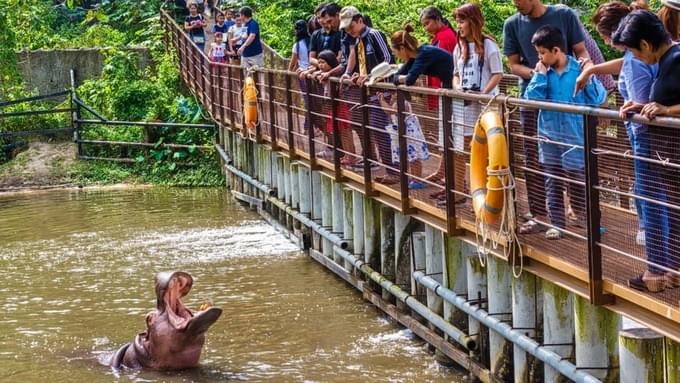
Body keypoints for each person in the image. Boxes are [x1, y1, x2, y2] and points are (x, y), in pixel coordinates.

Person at [503, 0, 593, 234]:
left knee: (574, 157)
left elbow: (581, 50)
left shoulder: (564, 14)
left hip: (568, 98)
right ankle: (541, 215)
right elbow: (513, 65)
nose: (516, 4)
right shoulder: (512, 23)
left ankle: (580, 212)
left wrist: (588, 71)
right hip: (533, 98)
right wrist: (540, 74)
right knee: (535, 158)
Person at [576, 1, 659, 248]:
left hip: (643, 132)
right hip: (641, 132)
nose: (603, 42)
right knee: (646, 182)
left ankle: (653, 242)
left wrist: (631, 106)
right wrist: (591, 70)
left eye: (603, 36)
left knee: (647, 184)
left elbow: (640, 97)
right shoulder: (638, 51)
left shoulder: (636, 59)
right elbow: (623, 64)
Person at [614, 10, 680, 291]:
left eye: (633, 50)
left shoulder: (676, 60)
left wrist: (667, 110)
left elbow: (672, 104)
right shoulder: (667, 61)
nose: (635, 58)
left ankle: (662, 273)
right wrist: (643, 107)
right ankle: (672, 271)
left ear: (644, 44)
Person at [524, 25, 606, 240]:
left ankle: (590, 223)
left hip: (575, 136)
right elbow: (530, 100)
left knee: (579, 181)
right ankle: (558, 224)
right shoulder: (542, 72)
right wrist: (539, 76)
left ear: (556, 50)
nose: (540, 57)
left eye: (542, 53)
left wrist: (588, 77)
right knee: (552, 181)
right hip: (549, 135)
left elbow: (598, 98)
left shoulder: (579, 69)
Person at [450, 3, 503, 205]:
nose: (459, 26)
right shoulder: (459, 47)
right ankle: (469, 194)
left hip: (484, 105)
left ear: (473, 21)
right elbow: (455, 74)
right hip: (464, 105)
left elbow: (498, 74)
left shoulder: (489, 45)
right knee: (464, 149)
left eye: (462, 21)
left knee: (485, 151)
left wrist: (482, 93)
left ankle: (489, 196)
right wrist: (457, 88)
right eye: (457, 21)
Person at [340, 6, 396, 184]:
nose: (349, 30)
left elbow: (388, 60)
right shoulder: (358, 41)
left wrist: (371, 76)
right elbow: (363, 65)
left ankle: (394, 171)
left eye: (351, 26)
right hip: (370, 92)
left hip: (383, 90)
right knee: (377, 130)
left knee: (382, 130)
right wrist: (357, 75)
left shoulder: (374, 35)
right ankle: (390, 170)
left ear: (360, 21)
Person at [419, 6, 457, 186]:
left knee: (449, 134)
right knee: (444, 133)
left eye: (427, 23)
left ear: (437, 19)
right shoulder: (438, 38)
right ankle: (443, 171)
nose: (425, 28)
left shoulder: (446, 37)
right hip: (439, 89)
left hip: (445, 89)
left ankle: (451, 177)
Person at [379, 92, 430, 189]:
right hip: (404, 133)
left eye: (394, 93)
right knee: (410, 158)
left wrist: (382, 101)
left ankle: (417, 179)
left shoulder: (403, 102)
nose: (393, 95)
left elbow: (390, 111)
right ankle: (414, 178)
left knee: (414, 158)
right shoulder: (397, 101)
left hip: (409, 134)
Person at [317, 50, 356, 165]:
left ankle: (351, 155)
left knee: (345, 131)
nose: (321, 65)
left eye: (323, 62)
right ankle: (346, 154)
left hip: (340, 106)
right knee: (339, 131)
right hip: (332, 107)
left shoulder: (335, 75)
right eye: (319, 62)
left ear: (330, 62)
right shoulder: (324, 75)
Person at [289, 20, 312, 133]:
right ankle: (313, 127)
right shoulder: (312, 40)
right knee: (314, 101)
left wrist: (288, 73)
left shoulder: (297, 45)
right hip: (314, 75)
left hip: (303, 76)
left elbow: (293, 63)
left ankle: (307, 127)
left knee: (308, 101)